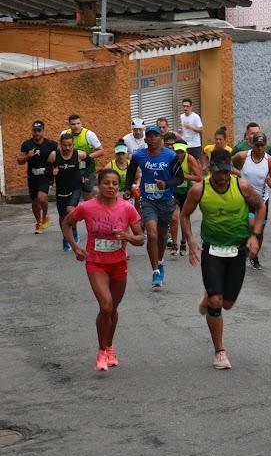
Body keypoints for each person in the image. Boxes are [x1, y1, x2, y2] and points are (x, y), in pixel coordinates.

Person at [180, 149, 265, 370]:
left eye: (226, 172)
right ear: (210, 169)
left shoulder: (242, 186)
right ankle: (219, 351)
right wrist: (190, 241)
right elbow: (184, 214)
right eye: (218, 172)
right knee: (217, 303)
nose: (222, 177)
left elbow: (260, 205)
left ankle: (210, 294)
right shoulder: (199, 190)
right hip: (212, 249)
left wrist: (255, 235)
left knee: (227, 303)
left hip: (237, 249)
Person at [62, 168, 144, 371]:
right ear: (99, 185)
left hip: (119, 263)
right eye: (106, 183)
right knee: (106, 306)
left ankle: (109, 347)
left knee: (113, 309)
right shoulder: (87, 207)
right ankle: (100, 351)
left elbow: (141, 238)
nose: (111, 187)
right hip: (96, 263)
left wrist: (129, 238)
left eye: (115, 184)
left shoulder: (127, 208)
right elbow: (66, 223)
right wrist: (75, 247)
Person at [124, 125, 185, 288]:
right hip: (147, 200)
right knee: (151, 234)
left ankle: (160, 261)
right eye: (149, 136)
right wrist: (127, 188)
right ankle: (155, 271)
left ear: (161, 139)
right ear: (145, 140)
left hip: (166, 200)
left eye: (155, 136)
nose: (152, 139)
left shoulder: (170, 156)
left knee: (162, 236)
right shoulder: (139, 155)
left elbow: (180, 178)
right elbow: (130, 172)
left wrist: (166, 184)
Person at [232, 133, 271, 270]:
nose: (259, 148)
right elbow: (228, 164)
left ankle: (254, 255)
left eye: (262, 145)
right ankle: (242, 251)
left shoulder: (269, 161)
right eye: (256, 145)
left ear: (265, 145)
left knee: (260, 231)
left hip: (262, 201)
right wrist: (238, 174)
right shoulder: (242, 156)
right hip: (245, 199)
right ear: (251, 144)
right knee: (250, 225)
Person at [48, 133, 86, 250]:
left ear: (73, 145)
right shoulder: (54, 155)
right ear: (60, 144)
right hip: (61, 189)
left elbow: (90, 162)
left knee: (71, 210)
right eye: (65, 145)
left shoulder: (79, 154)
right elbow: (46, 170)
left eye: (70, 145)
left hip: (75, 187)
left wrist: (84, 174)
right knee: (62, 216)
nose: (67, 148)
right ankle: (66, 236)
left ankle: (73, 231)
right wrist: (51, 174)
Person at [18, 120, 57, 234]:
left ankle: (45, 215)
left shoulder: (51, 144)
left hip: (46, 175)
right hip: (32, 176)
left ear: (43, 131)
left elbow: (60, 156)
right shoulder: (27, 144)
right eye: (34, 131)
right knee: (35, 201)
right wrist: (27, 157)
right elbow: (19, 161)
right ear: (32, 131)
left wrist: (56, 168)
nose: (36, 133)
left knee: (41, 198)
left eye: (39, 130)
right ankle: (39, 223)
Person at [169, 140, 203, 256]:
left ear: (185, 151)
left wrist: (183, 176)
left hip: (186, 192)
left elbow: (199, 177)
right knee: (174, 217)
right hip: (173, 191)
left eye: (181, 152)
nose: (178, 154)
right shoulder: (170, 159)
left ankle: (183, 241)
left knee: (184, 217)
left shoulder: (190, 159)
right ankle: (174, 244)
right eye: (176, 151)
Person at [61, 114, 103, 200]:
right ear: (69, 125)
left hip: (87, 169)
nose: (76, 126)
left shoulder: (89, 134)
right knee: (71, 193)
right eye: (73, 124)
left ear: (81, 123)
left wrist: (86, 157)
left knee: (87, 192)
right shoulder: (64, 134)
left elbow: (101, 151)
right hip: (71, 168)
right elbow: (60, 150)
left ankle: (90, 211)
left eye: (78, 123)